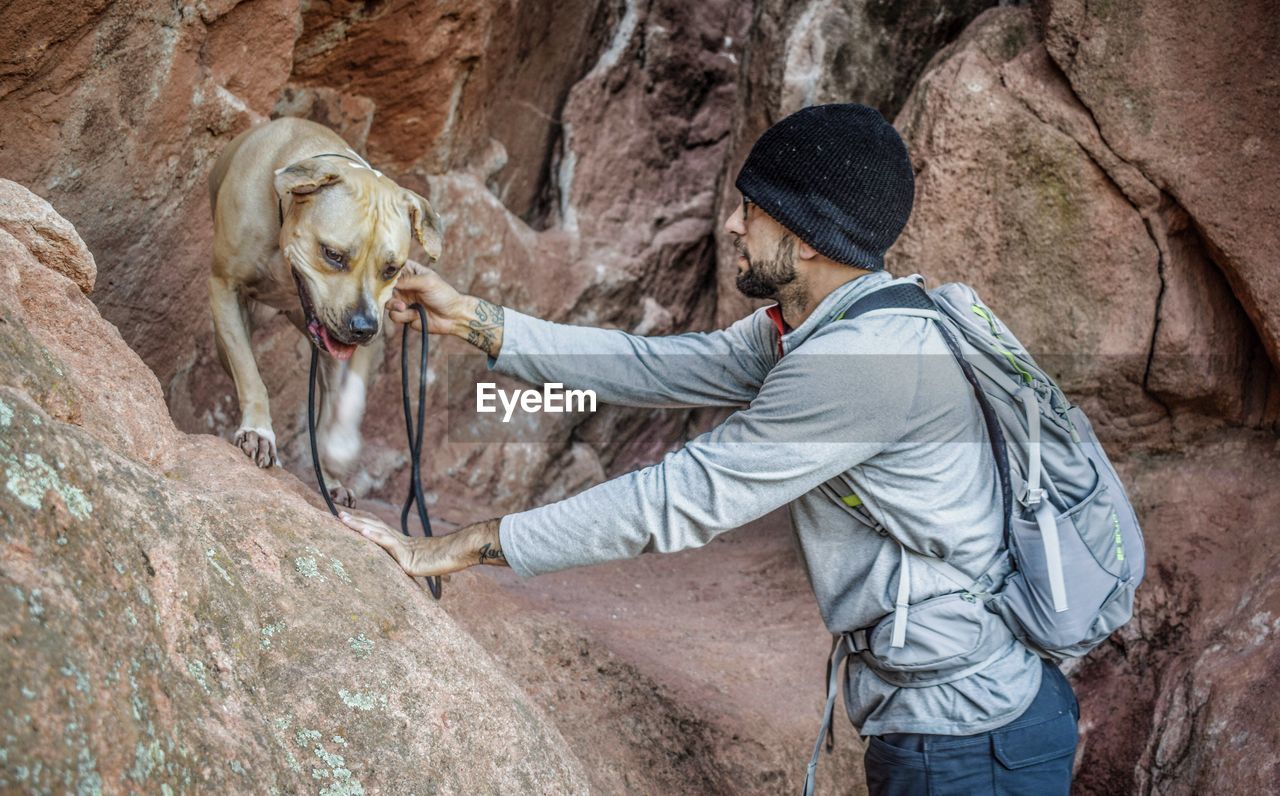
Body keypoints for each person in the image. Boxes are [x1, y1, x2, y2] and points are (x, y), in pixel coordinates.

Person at [340, 104, 1079, 795]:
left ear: (810, 233)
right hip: (946, 721)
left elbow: (677, 501)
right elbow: (655, 367)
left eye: (752, 210)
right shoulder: (824, 321)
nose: (731, 225)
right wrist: (471, 319)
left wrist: (459, 547)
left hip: (972, 741)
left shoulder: (861, 365)